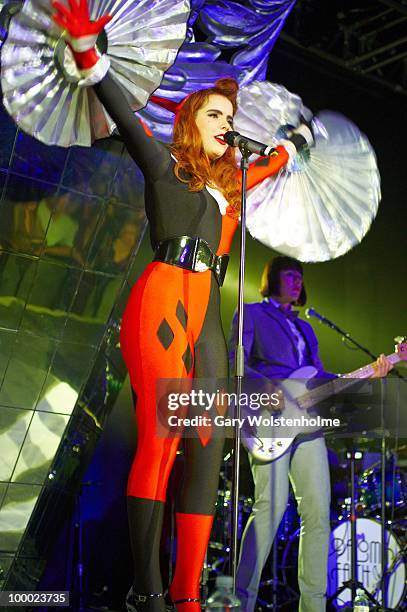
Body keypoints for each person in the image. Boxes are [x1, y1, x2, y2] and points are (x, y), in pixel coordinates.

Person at [49, 2, 317, 610]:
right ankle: (146, 594)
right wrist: (92, 55)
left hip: (210, 320)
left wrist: (296, 141)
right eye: (216, 114)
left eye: (230, 114)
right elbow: (123, 112)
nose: (227, 123)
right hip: (163, 299)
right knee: (162, 439)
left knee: (207, 448)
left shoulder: (234, 185)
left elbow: (273, 160)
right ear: (192, 122)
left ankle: (186, 595)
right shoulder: (165, 170)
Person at [229, 256, 393, 612]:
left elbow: (319, 379)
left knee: (318, 513)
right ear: (271, 278)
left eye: (300, 276)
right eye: (290, 275)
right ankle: (240, 604)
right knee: (269, 508)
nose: (297, 281)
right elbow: (236, 362)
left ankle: (313, 606)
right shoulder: (251, 314)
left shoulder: (307, 329)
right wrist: (266, 387)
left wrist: (372, 373)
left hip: (308, 423)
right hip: (267, 417)